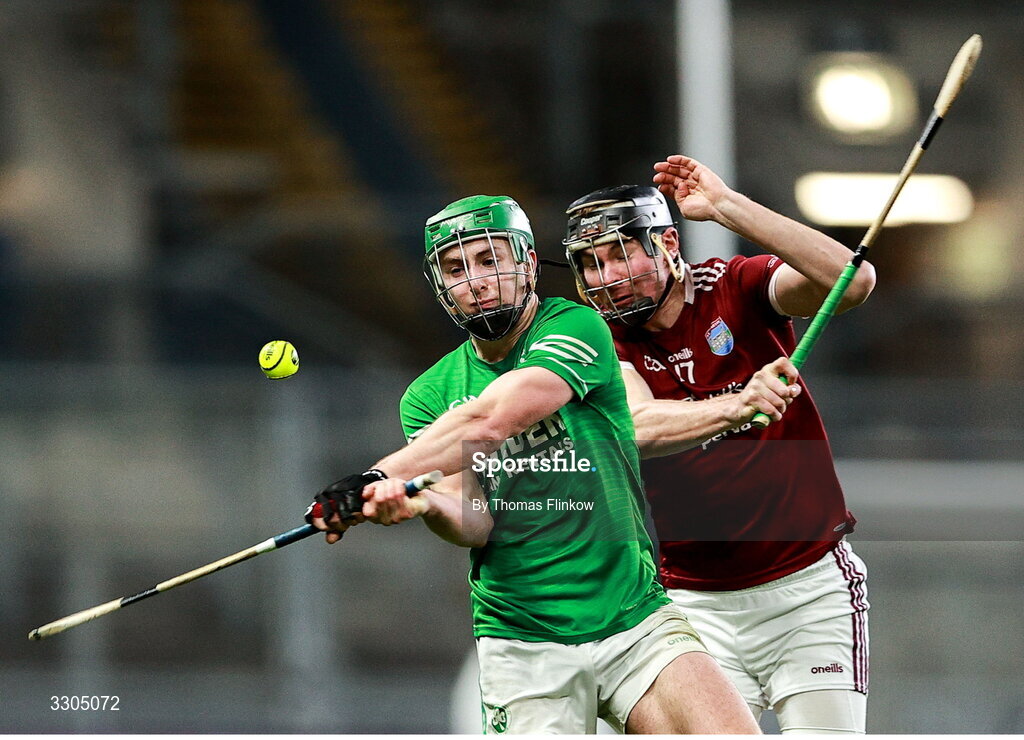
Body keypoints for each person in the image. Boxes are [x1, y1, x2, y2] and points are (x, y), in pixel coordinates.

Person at [309, 194, 759, 734]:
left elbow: (492, 419)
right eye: (456, 268)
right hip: (521, 640)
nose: (475, 280)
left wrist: (383, 474)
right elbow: (474, 522)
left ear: (525, 261)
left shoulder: (576, 327)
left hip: (631, 617)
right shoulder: (427, 395)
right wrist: (422, 501)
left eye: (489, 258)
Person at [562, 156, 875, 734]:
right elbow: (636, 426)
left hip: (808, 592)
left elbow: (852, 282)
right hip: (694, 606)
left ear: (666, 245)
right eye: (592, 262)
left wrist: (727, 206)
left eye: (620, 252)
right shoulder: (600, 341)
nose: (607, 275)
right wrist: (737, 403)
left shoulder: (734, 287)